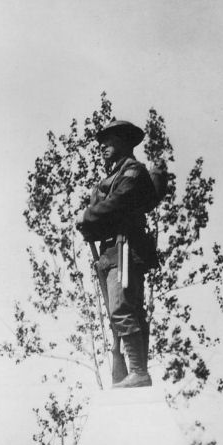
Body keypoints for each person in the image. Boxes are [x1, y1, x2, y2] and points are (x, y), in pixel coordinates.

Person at [76, 119, 162, 389]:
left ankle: (138, 371)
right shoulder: (111, 177)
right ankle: (135, 371)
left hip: (126, 249)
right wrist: (90, 220)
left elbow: (119, 203)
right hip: (111, 252)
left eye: (110, 141)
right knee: (123, 312)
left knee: (122, 309)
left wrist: (87, 216)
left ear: (124, 142)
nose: (103, 146)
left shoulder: (132, 171)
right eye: (102, 142)